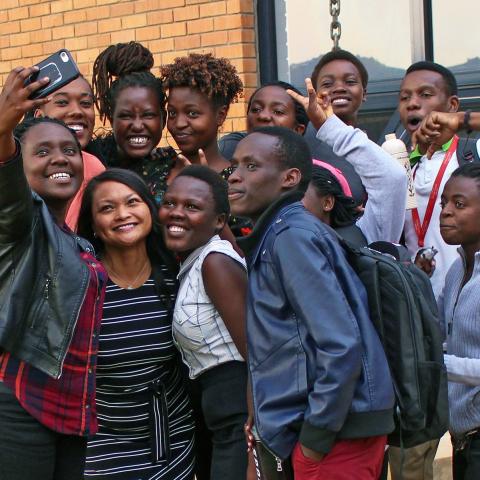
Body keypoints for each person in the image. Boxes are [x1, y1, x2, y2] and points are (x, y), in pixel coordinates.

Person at [228, 122, 395, 478]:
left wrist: (314, 441)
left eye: (251, 166)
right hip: (332, 429)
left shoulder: (291, 236)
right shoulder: (283, 230)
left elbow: (340, 344)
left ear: (290, 178)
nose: (234, 177)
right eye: (235, 166)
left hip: (336, 436)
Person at [0, 66, 107, 479]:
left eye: (68, 150)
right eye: (42, 152)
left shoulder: (75, 239)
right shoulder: (20, 222)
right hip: (18, 402)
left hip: (68, 410)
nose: (59, 157)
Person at [77, 169, 195, 479]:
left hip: (173, 440)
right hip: (101, 445)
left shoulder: (178, 275)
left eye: (132, 202)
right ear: (93, 225)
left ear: (149, 210)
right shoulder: (82, 285)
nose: (122, 214)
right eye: (107, 208)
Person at [390, 60, 461, 480]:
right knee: (418, 445)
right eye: (404, 97)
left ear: (450, 104)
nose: (413, 104)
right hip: (418, 320)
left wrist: (462, 123)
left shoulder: (469, 155)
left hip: (466, 312)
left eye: (425, 95)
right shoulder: (399, 163)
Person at [159, 165, 249, 480]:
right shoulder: (195, 260)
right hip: (222, 421)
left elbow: (256, 354)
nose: (176, 213)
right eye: (170, 203)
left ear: (219, 221)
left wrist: (253, 433)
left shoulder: (215, 263)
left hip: (241, 421)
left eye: (192, 207)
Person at [289, 78, 407, 244]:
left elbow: (391, 178)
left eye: (295, 195)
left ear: (327, 202)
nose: (283, 206)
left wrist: (328, 126)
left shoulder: (360, 241)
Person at [160, 53, 249, 238]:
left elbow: (241, 258)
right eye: (172, 113)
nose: (179, 123)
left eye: (192, 113)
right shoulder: (156, 165)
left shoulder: (237, 181)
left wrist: (210, 191)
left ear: (221, 115)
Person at [88, 41, 183, 206]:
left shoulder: (173, 171)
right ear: (111, 118)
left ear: (163, 119)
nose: (138, 126)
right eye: (126, 116)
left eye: (148, 115)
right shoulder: (89, 163)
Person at [437, 163, 480, 479]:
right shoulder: (455, 271)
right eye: (443, 203)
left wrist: (439, 364)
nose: (446, 212)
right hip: (462, 438)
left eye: (459, 204)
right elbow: (439, 334)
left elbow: (440, 358)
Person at [34, 75, 105, 230]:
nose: (77, 111)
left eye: (86, 103)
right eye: (62, 103)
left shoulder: (94, 168)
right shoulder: (15, 165)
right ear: (39, 116)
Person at [303, 49, 370, 207]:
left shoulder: (370, 145)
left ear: (364, 93)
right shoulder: (304, 146)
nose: (339, 88)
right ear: (315, 93)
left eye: (350, 82)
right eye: (327, 84)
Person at [218, 80, 309, 160]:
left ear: (297, 130)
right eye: (256, 109)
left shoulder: (313, 171)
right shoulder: (230, 148)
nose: (263, 116)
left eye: (278, 111)